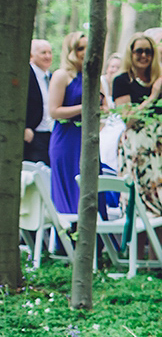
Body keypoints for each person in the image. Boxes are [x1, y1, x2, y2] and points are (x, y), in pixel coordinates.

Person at [113, 33, 162, 229]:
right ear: (131, 53)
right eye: (139, 51)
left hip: (160, 146)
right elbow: (129, 119)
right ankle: (138, 254)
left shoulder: (156, 79)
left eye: (149, 52)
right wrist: (152, 96)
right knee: (141, 199)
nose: (144, 56)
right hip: (137, 147)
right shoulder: (122, 81)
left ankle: (156, 257)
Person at [46, 32, 89, 214]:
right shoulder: (62, 75)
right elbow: (54, 111)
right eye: (80, 48)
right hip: (66, 139)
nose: (85, 52)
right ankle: (66, 239)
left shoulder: (91, 76)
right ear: (71, 51)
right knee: (70, 191)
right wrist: (84, 107)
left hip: (88, 139)